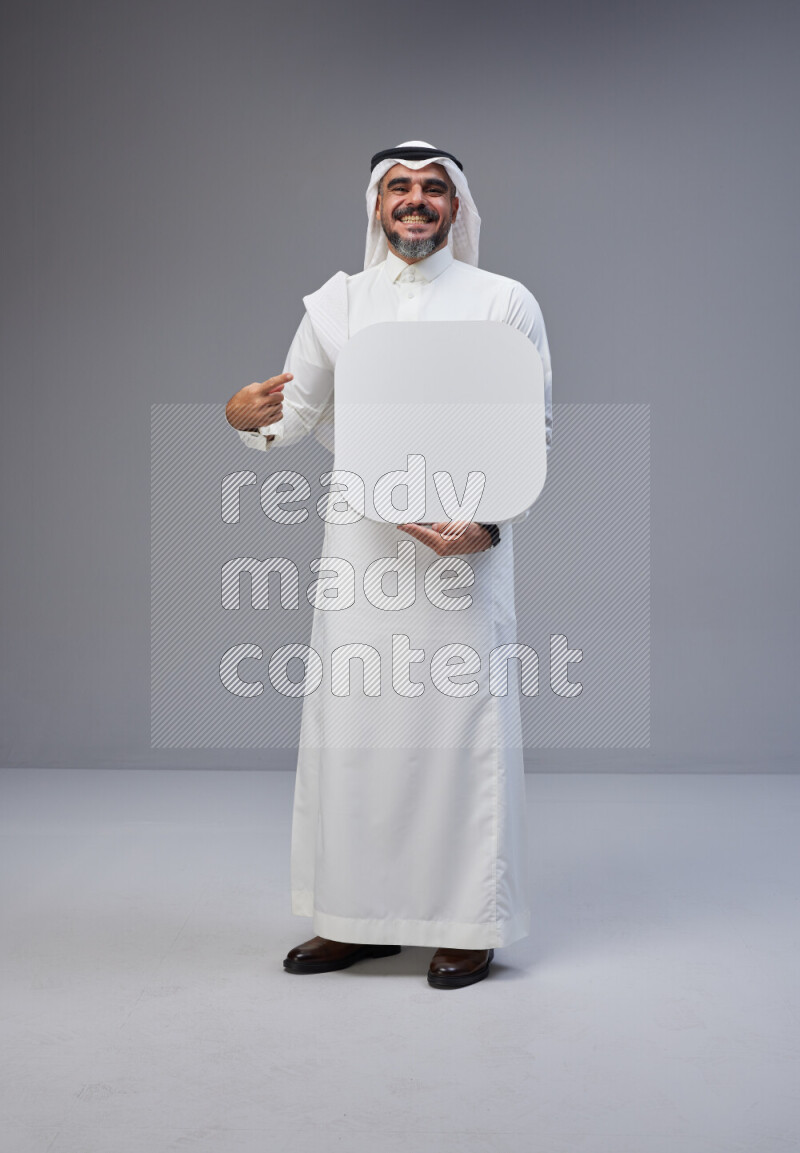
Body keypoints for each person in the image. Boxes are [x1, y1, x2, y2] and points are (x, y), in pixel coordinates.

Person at [226, 141, 552, 989]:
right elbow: (289, 416)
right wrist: (241, 415)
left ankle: (468, 922)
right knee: (356, 732)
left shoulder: (503, 303)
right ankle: (352, 919)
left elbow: (533, 431)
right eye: (399, 189)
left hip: (461, 553)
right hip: (362, 546)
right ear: (376, 207)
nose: (415, 201)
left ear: (456, 208)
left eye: (433, 189)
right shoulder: (337, 305)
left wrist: (482, 526)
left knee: (456, 735)